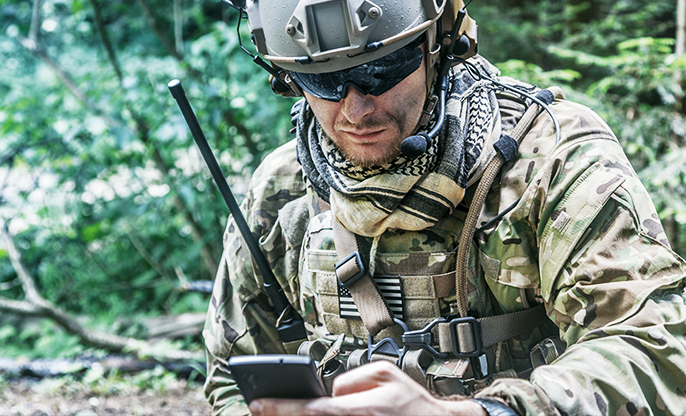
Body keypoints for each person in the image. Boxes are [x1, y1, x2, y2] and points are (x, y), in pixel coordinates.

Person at [203, 0, 686, 415]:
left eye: (380, 71)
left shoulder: (550, 158)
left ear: (439, 43)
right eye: (323, 82)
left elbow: (655, 343)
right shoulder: (285, 187)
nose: (355, 110)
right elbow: (232, 373)